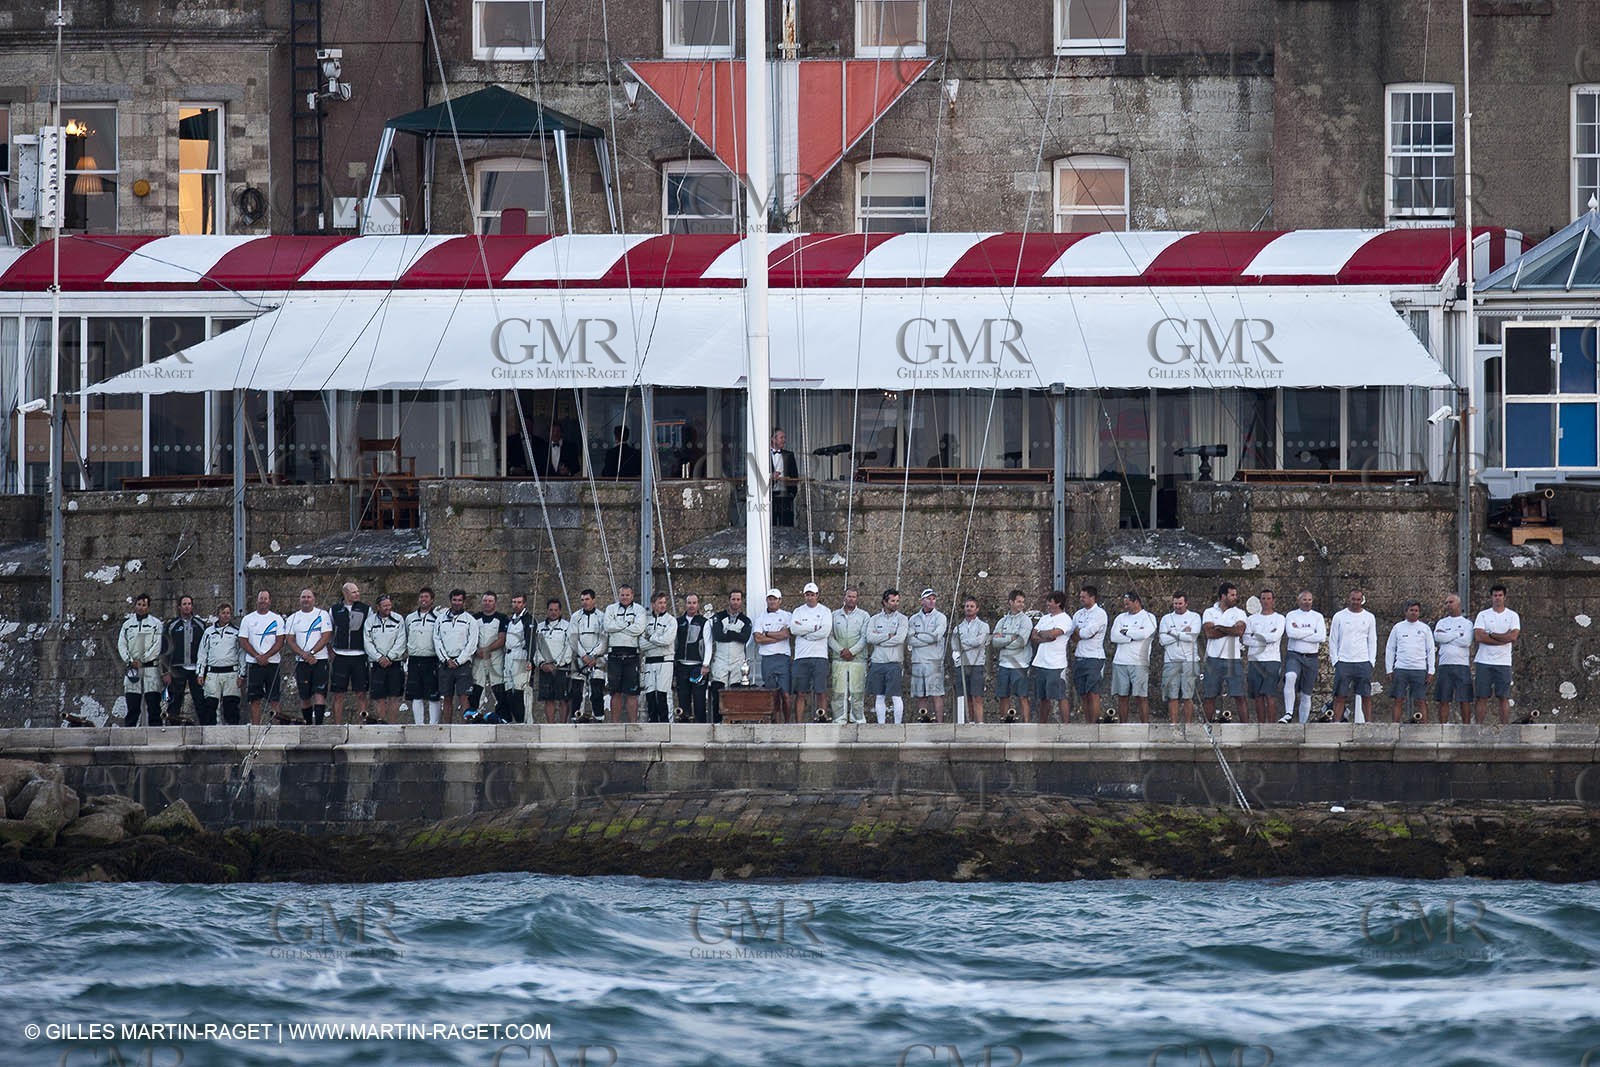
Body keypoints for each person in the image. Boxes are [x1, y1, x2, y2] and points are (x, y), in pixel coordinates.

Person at [1473, 584, 1521, 725]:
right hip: (1484, 661)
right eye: (1495, 595)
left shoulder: (1512, 615)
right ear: (1491, 597)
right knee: (1482, 696)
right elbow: (1479, 637)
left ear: (1504, 597)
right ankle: (1479, 727)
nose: (1497, 598)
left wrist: (1492, 634)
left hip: (1503, 662)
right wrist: (1502, 639)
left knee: (1503, 697)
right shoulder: (1483, 615)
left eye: (1500, 595)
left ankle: (1504, 727)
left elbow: (1513, 637)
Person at [1329, 589, 1378, 723]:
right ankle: (1336, 724)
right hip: (1344, 661)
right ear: (1348, 599)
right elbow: (1333, 640)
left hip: (1363, 661)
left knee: (1366, 696)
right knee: (1340, 696)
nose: (1355, 602)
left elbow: (1372, 640)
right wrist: (1335, 661)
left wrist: (1371, 661)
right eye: (1353, 599)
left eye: (1358, 599)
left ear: (1361, 600)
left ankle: (1368, 723)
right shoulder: (1339, 616)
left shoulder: (1369, 617)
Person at [238, 589, 286, 726]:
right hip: (254, 664)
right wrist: (257, 656)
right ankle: (255, 726)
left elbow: (280, 641)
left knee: (274, 698)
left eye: (265, 598)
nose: (263, 601)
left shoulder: (277, 619)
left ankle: (275, 727)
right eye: (261, 598)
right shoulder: (248, 619)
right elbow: (243, 641)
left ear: (270, 601)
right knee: (254, 699)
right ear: (257, 600)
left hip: (272, 663)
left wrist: (266, 656)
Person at [1201, 583, 1248, 724]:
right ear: (1223, 596)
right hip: (1213, 658)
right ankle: (1207, 728)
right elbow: (1209, 633)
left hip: (1233, 659)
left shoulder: (1239, 613)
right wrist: (1230, 629)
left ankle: (1246, 727)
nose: (1236, 597)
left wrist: (1220, 627)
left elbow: (1239, 631)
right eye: (1232, 595)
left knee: (1239, 695)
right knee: (1210, 696)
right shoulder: (1209, 612)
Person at [286, 587, 333, 725]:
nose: (306, 599)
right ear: (299, 600)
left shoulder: (322, 615)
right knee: (304, 695)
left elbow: (325, 636)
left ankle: (318, 724)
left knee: (319, 693)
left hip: (320, 659)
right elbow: (290, 639)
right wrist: (304, 655)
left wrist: (312, 653)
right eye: (303, 597)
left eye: (309, 597)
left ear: (314, 599)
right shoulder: (293, 618)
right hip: (301, 661)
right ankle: (307, 723)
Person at [1108, 591, 1157, 723]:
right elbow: (1114, 637)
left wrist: (1126, 632)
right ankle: (1123, 725)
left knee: (1141, 696)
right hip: (1120, 662)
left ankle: (1144, 726)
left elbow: (1145, 634)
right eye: (1124, 604)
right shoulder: (1120, 618)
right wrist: (1131, 638)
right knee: (1122, 696)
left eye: (1128, 604)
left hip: (1139, 662)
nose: (1126, 607)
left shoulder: (1149, 617)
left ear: (1137, 602)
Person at [117, 594, 165, 727]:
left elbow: (157, 645)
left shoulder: (155, 624)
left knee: (153, 705)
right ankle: (129, 734)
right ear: (135, 605)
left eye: (144, 605)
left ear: (148, 607)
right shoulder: (127, 625)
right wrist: (129, 660)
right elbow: (122, 644)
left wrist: (143, 660)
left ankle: (156, 735)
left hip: (150, 668)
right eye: (139, 604)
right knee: (133, 705)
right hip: (133, 668)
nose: (141, 607)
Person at [1386, 599, 1437, 723]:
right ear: (1406, 612)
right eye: (1411, 610)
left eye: (1416, 611)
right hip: (1401, 668)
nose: (1414, 613)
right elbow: (1390, 648)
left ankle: (1425, 726)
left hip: (1419, 669)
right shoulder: (1397, 628)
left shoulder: (1424, 628)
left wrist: (1431, 670)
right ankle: (1395, 726)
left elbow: (1430, 650)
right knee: (1398, 699)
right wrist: (1389, 669)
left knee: (1421, 700)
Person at [434, 588, 480, 725]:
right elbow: (437, 640)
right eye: (454, 600)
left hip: (463, 664)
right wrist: (446, 659)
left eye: (460, 600)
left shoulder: (470, 620)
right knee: (447, 698)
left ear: (464, 601)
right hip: (445, 663)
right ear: (450, 600)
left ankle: (464, 729)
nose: (457, 603)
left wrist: (459, 661)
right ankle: (447, 727)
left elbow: (472, 643)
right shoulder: (440, 620)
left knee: (464, 697)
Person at [704, 590, 752, 722]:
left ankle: (736, 720)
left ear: (741, 601)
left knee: (736, 692)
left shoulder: (746, 620)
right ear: (729, 600)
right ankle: (718, 721)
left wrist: (728, 633)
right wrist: (735, 634)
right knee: (718, 691)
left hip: (738, 660)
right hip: (721, 659)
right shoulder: (718, 617)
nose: (735, 602)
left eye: (738, 599)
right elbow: (718, 636)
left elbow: (745, 637)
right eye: (733, 599)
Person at [1280, 591, 1327, 723]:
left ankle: (1303, 723)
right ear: (1298, 600)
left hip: (1311, 657)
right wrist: (1311, 632)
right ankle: (1288, 713)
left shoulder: (1318, 616)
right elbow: (1291, 633)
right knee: (1290, 676)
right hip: (1294, 655)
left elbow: (1321, 637)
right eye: (1304, 600)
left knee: (1306, 694)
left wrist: (1300, 632)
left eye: (1310, 600)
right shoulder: (1291, 615)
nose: (1307, 602)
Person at [789, 582, 833, 721]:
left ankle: (822, 719)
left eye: (812, 595)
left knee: (821, 691)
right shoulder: (798, 611)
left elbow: (825, 632)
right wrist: (814, 627)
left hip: (820, 656)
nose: (810, 597)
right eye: (807, 595)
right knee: (801, 693)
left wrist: (806, 633)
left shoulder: (825, 611)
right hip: (801, 657)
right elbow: (794, 629)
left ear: (817, 595)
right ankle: (799, 723)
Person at [328, 582, 370, 725]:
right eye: (354, 592)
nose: (357, 594)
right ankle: (337, 725)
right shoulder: (334, 610)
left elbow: (369, 631)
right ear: (345, 593)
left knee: (361, 693)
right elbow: (330, 631)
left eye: (358, 591)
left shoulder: (365, 609)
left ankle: (361, 724)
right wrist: (331, 651)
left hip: (359, 655)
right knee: (338, 694)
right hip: (340, 655)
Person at [603, 585, 646, 723]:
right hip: (614, 654)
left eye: (627, 595)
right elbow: (608, 626)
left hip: (632, 655)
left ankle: (633, 723)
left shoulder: (639, 610)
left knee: (632, 693)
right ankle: (614, 724)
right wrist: (628, 624)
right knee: (615, 692)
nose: (625, 597)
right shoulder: (611, 609)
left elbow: (639, 629)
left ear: (632, 595)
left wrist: (619, 626)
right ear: (619, 595)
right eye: (622, 595)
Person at [866, 588, 909, 724]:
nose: (895, 604)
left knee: (896, 695)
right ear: (884, 602)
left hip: (894, 662)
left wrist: (880, 641)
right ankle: (881, 724)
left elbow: (900, 639)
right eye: (892, 601)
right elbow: (869, 638)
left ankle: (897, 724)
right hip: (878, 661)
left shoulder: (902, 619)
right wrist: (887, 636)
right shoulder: (874, 619)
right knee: (879, 695)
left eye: (897, 601)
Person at [1029, 590, 1073, 723]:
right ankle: (1043, 724)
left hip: (1056, 664)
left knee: (1060, 695)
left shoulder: (1065, 619)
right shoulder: (1044, 618)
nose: (1047, 604)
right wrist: (1044, 636)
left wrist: (1043, 634)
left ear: (1058, 603)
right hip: (1041, 662)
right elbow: (1033, 636)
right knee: (1043, 697)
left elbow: (1054, 634)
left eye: (1050, 601)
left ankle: (1066, 725)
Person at [161, 595, 206, 725]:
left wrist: (204, 670)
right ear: (179, 607)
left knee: (200, 700)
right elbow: (165, 650)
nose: (187, 606)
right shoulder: (172, 625)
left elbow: (205, 648)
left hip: (196, 668)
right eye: (184, 604)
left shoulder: (200, 625)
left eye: (189, 604)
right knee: (175, 701)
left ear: (192, 606)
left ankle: (204, 727)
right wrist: (166, 671)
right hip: (177, 668)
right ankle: (173, 729)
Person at [1158, 592, 1202, 724]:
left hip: (1190, 661)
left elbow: (1192, 637)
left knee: (1188, 696)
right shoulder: (1166, 618)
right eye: (1175, 603)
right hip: (1171, 661)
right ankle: (1174, 725)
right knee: (1172, 696)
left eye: (1180, 604)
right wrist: (1183, 632)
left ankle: (1188, 725)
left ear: (1186, 603)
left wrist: (1172, 633)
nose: (1177, 606)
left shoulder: (1194, 617)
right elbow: (1162, 640)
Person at [829, 586, 870, 724]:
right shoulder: (834, 615)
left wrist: (852, 651)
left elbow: (865, 637)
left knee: (857, 691)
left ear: (857, 598)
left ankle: (857, 717)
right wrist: (841, 650)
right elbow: (829, 637)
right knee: (838, 691)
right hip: (838, 658)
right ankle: (839, 718)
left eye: (854, 596)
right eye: (849, 596)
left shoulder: (864, 616)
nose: (851, 599)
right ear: (844, 597)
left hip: (857, 659)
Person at [991, 590, 1034, 723]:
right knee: (1003, 696)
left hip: (1020, 664)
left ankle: (1026, 724)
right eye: (1018, 601)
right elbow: (994, 641)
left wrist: (1004, 641)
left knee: (1022, 696)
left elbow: (1021, 642)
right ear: (1011, 602)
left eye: (1023, 601)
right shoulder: (1002, 621)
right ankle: (1004, 722)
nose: (1022, 604)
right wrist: (1011, 638)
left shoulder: (1026, 621)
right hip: (1004, 663)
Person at [197, 602, 243, 725]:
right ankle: (210, 732)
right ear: (218, 614)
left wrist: (241, 674)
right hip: (213, 673)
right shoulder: (208, 632)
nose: (226, 615)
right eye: (223, 613)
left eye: (228, 613)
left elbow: (241, 654)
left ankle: (233, 732)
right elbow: (202, 653)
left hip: (231, 672)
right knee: (210, 705)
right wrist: (200, 673)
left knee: (231, 705)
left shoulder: (236, 632)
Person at [363, 594, 407, 724]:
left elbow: (401, 640)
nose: (388, 608)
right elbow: (367, 642)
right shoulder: (370, 621)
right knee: (379, 697)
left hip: (395, 662)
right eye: (385, 606)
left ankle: (392, 724)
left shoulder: (398, 619)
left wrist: (389, 657)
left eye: (389, 605)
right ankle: (382, 723)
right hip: (377, 664)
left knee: (394, 696)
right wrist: (379, 658)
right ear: (378, 607)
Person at [1432, 593, 1475, 724]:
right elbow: (1438, 637)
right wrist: (1457, 634)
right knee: (1443, 698)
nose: (1448, 605)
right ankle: (1443, 727)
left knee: (1465, 699)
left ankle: (1467, 727)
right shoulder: (1442, 622)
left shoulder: (1467, 623)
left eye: (1451, 602)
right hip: (1445, 664)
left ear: (1458, 604)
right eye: (1446, 603)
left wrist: (1448, 637)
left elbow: (1466, 641)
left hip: (1462, 664)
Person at [1243, 589, 1284, 723]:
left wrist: (1257, 636)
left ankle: (1271, 725)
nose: (1266, 601)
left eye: (1268, 598)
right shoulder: (1251, 619)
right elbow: (1246, 640)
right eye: (1263, 599)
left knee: (1270, 694)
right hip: (1255, 660)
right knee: (1258, 695)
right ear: (1259, 601)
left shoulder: (1279, 618)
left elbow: (1275, 637)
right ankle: (1261, 724)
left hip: (1272, 660)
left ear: (1273, 600)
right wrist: (1266, 637)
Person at [908, 588, 949, 722]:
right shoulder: (913, 619)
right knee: (921, 695)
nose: (931, 601)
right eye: (928, 598)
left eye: (933, 598)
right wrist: (926, 638)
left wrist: (919, 637)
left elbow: (936, 637)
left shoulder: (941, 617)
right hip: (918, 661)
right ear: (922, 601)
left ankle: (939, 723)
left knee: (937, 694)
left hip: (934, 661)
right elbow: (910, 639)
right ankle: (923, 720)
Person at [753, 588, 794, 719]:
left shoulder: (787, 616)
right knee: (771, 694)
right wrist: (778, 636)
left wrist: (768, 633)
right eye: (770, 599)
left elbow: (786, 634)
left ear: (780, 600)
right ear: (767, 600)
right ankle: (774, 721)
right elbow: (758, 639)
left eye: (774, 599)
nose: (772, 601)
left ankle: (787, 722)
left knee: (786, 694)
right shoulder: (760, 618)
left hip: (783, 658)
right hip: (767, 659)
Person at [403, 587, 442, 724]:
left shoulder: (438, 618)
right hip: (414, 659)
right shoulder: (410, 618)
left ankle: (433, 724)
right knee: (416, 694)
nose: (423, 599)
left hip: (432, 659)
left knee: (433, 695)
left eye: (426, 597)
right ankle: (418, 724)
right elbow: (406, 636)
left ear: (432, 600)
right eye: (421, 597)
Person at [1069, 586, 1107, 722]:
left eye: (1084, 597)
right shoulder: (1078, 614)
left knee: (1093, 692)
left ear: (1092, 597)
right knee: (1083, 693)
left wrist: (1080, 632)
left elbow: (1087, 633)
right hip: (1080, 656)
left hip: (1094, 658)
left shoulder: (1100, 614)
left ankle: (1095, 723)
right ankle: (1088, 722)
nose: (1081, 599)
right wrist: (1079, 633)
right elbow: (1072, 635)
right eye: (1080, 597)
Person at [468, 591, 509, 721]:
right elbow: (470, 638)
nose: (487, 603)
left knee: (499, 689)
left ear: (495, 603)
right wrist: (476, 651)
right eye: (485, 600)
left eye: (490, 601)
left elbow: (502, 639)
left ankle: (502, 718)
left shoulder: (502, 618)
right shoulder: (474, 618)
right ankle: (474, 718)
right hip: (478, 659)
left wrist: (486, 650)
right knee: (476, 689)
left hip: (495, 658)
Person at [640, 591, 679, 723]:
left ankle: (667, 724)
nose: (662, 605)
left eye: (664, 602)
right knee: (650, 694)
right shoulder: (646, 621)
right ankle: (653, 723)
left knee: (663, 694)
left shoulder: (671, 621)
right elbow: (641, 644)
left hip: (665, 661)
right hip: (650, 661)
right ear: (653, 604)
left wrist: (651, 638)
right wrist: (657, 641)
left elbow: (667, 640)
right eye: (659, 603)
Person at [535, 598, 575, 723]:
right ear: (547, 611)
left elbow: (569, 646)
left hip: (562, 668)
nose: (553, 612)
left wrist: (557, 664)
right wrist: (542, 663)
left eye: (556, 610)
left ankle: (562, 725)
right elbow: (536, 648)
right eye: (551, 610)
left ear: (560, 611)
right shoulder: (539, 627)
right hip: (545, 668)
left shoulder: (567, 626)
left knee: (563, 698)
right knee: (548, 698)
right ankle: (550, 725)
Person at [952, 595, 991, 724]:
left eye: (972, 606)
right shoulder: (958, 628)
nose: (969, 608)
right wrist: (966, 644)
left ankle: (980, 723)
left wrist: (964, 643)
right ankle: (969, 722)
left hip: (976, 664)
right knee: (964, 696)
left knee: (977, 696)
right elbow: (955, 645)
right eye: (967, 606)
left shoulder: (983, 626)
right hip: (962, 664)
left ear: (977, 609)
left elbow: (979, 642)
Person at [674, 593, 709, 723]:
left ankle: (701, 727)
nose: (691, 605)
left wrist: (706, 664)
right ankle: (684, 728)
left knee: (699, 700)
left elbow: (709, 645)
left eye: (694, 603)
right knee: (683, 700)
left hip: (698, 666)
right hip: (682, 666)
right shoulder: (678, 622)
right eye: (689, 603)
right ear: (685, 604)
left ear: (698, 604)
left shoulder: (704, 622)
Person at [500, 593, 534, 724]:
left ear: (524, 604)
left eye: (519, 602)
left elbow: (532, 641)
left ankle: (525, 721)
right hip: (509, 656)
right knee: (509, 691)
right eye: (514, 602)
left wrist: (530, 659)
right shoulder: (510, 620)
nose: (516, 605)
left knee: (520, 691)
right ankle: (517, 720)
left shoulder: (528, 620)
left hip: (521, 655)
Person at [770, 428, 800, 528]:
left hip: (786, 496)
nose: (784, 440)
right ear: (773, 439)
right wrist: (770, 476)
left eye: (784, 437)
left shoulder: (789, 455)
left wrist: (792, 494)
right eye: (781, 437)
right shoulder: (763, 455)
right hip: (769, 496)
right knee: (770, 525)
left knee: (787, 525)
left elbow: (795, 476)